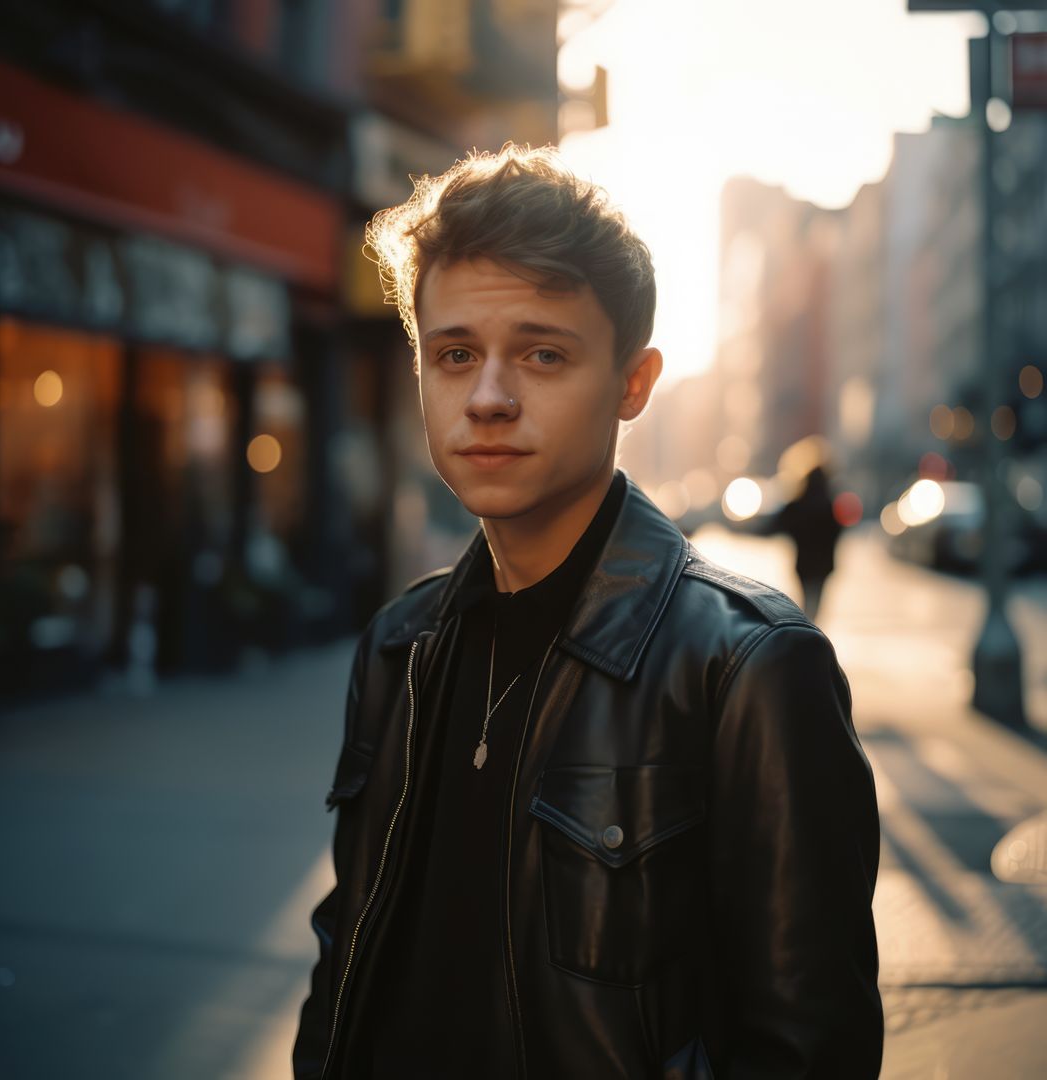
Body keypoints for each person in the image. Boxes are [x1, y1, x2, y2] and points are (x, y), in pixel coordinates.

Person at [293, 145, 883, 1080]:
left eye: (542, 353)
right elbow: (348, 954)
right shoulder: (397, 647)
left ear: (632, 384)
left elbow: (808, 1047)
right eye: (454, 354)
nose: (487, 398)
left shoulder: (748, 671)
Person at [774, 465, 844, 622]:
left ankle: (808, 628)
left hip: (804, 564)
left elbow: (782, 523)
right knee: (816, 601)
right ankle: (811, 629)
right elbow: (837, 531)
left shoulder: (799, 504)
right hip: (823, 566)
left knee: (807, 598)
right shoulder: (829, 505)